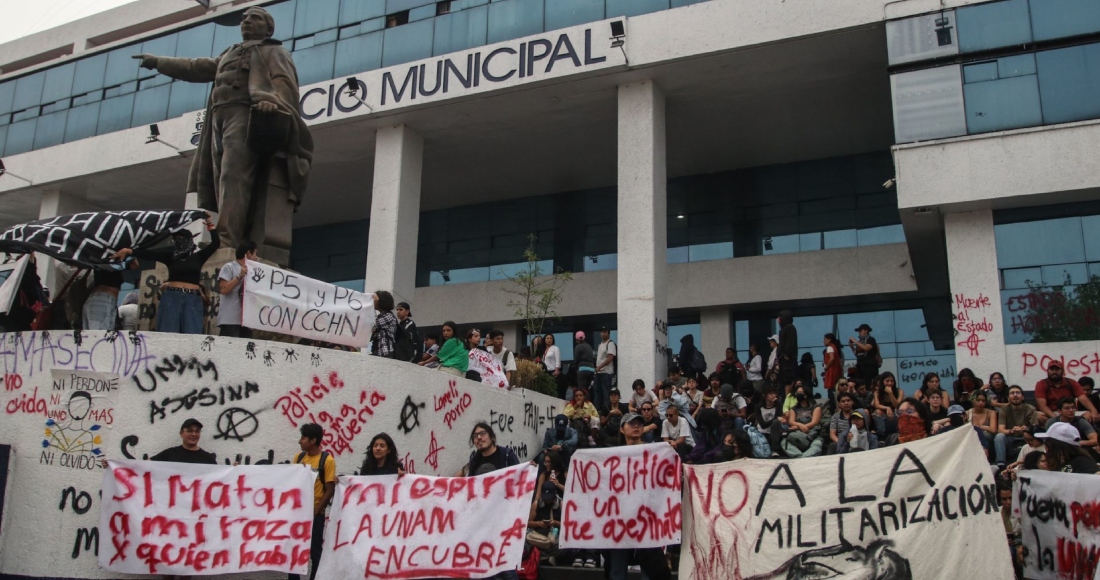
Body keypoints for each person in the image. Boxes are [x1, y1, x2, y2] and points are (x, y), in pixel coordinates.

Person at [133, 6, 314, 251]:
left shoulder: (274, 51)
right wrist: (158, 62)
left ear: (268, 28)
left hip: (246, 115)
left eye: (255, 18)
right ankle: (231, 235)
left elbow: (285, 84)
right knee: (219, 180)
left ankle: (227, 240)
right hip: (218, 119)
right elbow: (196, 67)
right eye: (244, 18)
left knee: (233, 174)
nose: (247, 21)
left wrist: (272, 101)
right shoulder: (230, 52)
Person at [111, 215, 218, 334]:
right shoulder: (170, 256)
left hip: (192, 298)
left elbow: (215, 244)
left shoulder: (198, 257)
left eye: (181, 238)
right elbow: (149, 254)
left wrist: (210, 223)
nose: (178, 241)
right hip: (172, 297)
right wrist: (129, 251)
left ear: (189, 240)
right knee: (167, 332)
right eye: (176, 239)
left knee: (192, 333)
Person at [606, 413, 672, 580]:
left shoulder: (655, 453)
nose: (636, 426)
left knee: (649, 568)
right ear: (622, 429)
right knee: (616, 569)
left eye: (639, 424)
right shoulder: (611, 455)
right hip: (619, 518)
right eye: (631, 423)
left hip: (646, 518)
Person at [291, 423, 335, 580]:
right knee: (294, 551)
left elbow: (329, 490)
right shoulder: (299, 457)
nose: (299, 441)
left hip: (316, 515)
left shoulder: (327, 460)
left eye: (303, 438)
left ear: (313, 440)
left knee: (315, 552)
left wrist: (316, 512)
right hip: (298, 513)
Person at [83, 257, 141, 330]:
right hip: (102, 301)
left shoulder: (103, 259)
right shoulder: (108, 258)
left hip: (101, 300)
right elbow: (135, 264)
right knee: (100, 337)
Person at [216, 240, 256, 338]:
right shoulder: (229, 267)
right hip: (230, 320)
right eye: (255, 254)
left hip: (246, 321)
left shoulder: (253, 271)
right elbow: (224, 289)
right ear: (248, 254)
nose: (256, 258)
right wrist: (239, 276)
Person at [1034, 360, 1098, 422]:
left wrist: (1094, 411)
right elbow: (1042, 406)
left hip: (1069, 412)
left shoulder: (1071, 383)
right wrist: (1056, 418)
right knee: (1039, 416)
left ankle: (1074, 430)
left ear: (1063, 371)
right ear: (1047, 371)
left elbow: (1083, 398)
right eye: (1052, 369)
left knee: (1088, 414)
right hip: (1051, 413)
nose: (1054, 372)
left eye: (1057, 369)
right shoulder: (1041, 384)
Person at [995, 385, 1038, 468]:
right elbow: (1000, 429)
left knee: (1035, 437)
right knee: (999, 437)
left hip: (1025, 437)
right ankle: (1000, 464)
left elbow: (1035, 428)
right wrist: (1011, 431)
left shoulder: (1031, 409)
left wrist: (1026, 429)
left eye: (1018, 393)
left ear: (1022, 397)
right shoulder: (1004, 409)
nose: (1015, 395)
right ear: (1008, 398)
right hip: (1010, 437)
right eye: (1012, 393)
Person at [150, 418, 218, 464]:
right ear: (181, 433)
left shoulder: (208, 458)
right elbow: (146, 465)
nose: (194, 434)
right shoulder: (170, 454)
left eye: (197, 431)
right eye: (189, 431)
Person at [781, 383, 822, 458]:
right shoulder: (794, 409)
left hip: (812, 435)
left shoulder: (816, 407)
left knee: (817, 445)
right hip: (797, 435)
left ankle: (804, 457)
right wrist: (800, 426)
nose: (798, 394)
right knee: (784, 442)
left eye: (801, 392)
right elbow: (791, 421)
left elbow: (814, 422)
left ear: (806, 395)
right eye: (797, 392)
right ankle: (800, 457)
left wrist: (799, 427)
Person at [749, 387, 787, 454]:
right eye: (770, 393)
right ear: (765, 395)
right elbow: (763, 425)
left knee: (776, 422)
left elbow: (778, 420)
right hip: (762, 433)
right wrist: (776, 418)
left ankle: (775, 450)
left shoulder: (778, 405)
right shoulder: (758, 407)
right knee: (775, 420)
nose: (773, 395)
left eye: (774, 393)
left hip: (774, 433)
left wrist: (778, 404)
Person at [968, 391, 1000, 465]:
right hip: (973, 440)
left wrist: (979, 427)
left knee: (984, 434)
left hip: (989, 440)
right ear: (973, 400)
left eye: (983, 401)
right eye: (978, 400)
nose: (981, 402)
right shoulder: (968, 413)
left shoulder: (991, 413)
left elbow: (993, 429)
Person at [871, 372, 903, 436]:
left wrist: (890, 393)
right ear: (882, 381)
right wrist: (887, 408)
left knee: (899, 411)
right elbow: (877, 405)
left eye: (892, 381)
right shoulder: (877, 393)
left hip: (895, 414)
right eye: (887, 381)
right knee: (878, 411)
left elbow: (897, 405)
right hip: (884, 415)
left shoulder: (899, 391)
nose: (890, 383)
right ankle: (881, 435)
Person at [593, 327, 616, 411]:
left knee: (606, 392)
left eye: (605, 332)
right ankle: (597, 409)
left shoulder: (610, 343)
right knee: (597, 391)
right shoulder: (600, 344)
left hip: (606, 372)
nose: (603, 334)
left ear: (608, 333)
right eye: (602, 332)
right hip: (598, 372)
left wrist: (600, 366)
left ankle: (606, 410)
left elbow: (610, 358)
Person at [370, 290, 397, 358]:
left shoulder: (389, 316)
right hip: (379, 351)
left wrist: (370, 307)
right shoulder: (381, 316)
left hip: (385, 352)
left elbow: (372, 324)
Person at [776, 310, 798, 387]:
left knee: (788, 380)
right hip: (782, 359)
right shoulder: (783, 329)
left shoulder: (790, 328)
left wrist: (787, 355)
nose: (777, 319)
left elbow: (790, 342)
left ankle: (789, 396)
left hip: (787, 361)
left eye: (779, 317)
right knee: (784, 380)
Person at [573, 331, 595, 398]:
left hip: (582, 369)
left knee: (581, 389)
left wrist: (576, 368)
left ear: (576, 339)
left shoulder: (578, 347)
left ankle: (582, 405)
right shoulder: (589, 347)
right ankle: (587, 403)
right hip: (591, 369)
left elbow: (576, 359)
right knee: (587, 390)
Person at [822, 333, 844, 400]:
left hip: (831, 371)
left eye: (825, 339)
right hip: (835, 371)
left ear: (829, 339)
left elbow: (832, 358)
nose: (824, 341)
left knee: (831, 389)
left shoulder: (830, 347)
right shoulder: (834, 347)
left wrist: (826, 367)